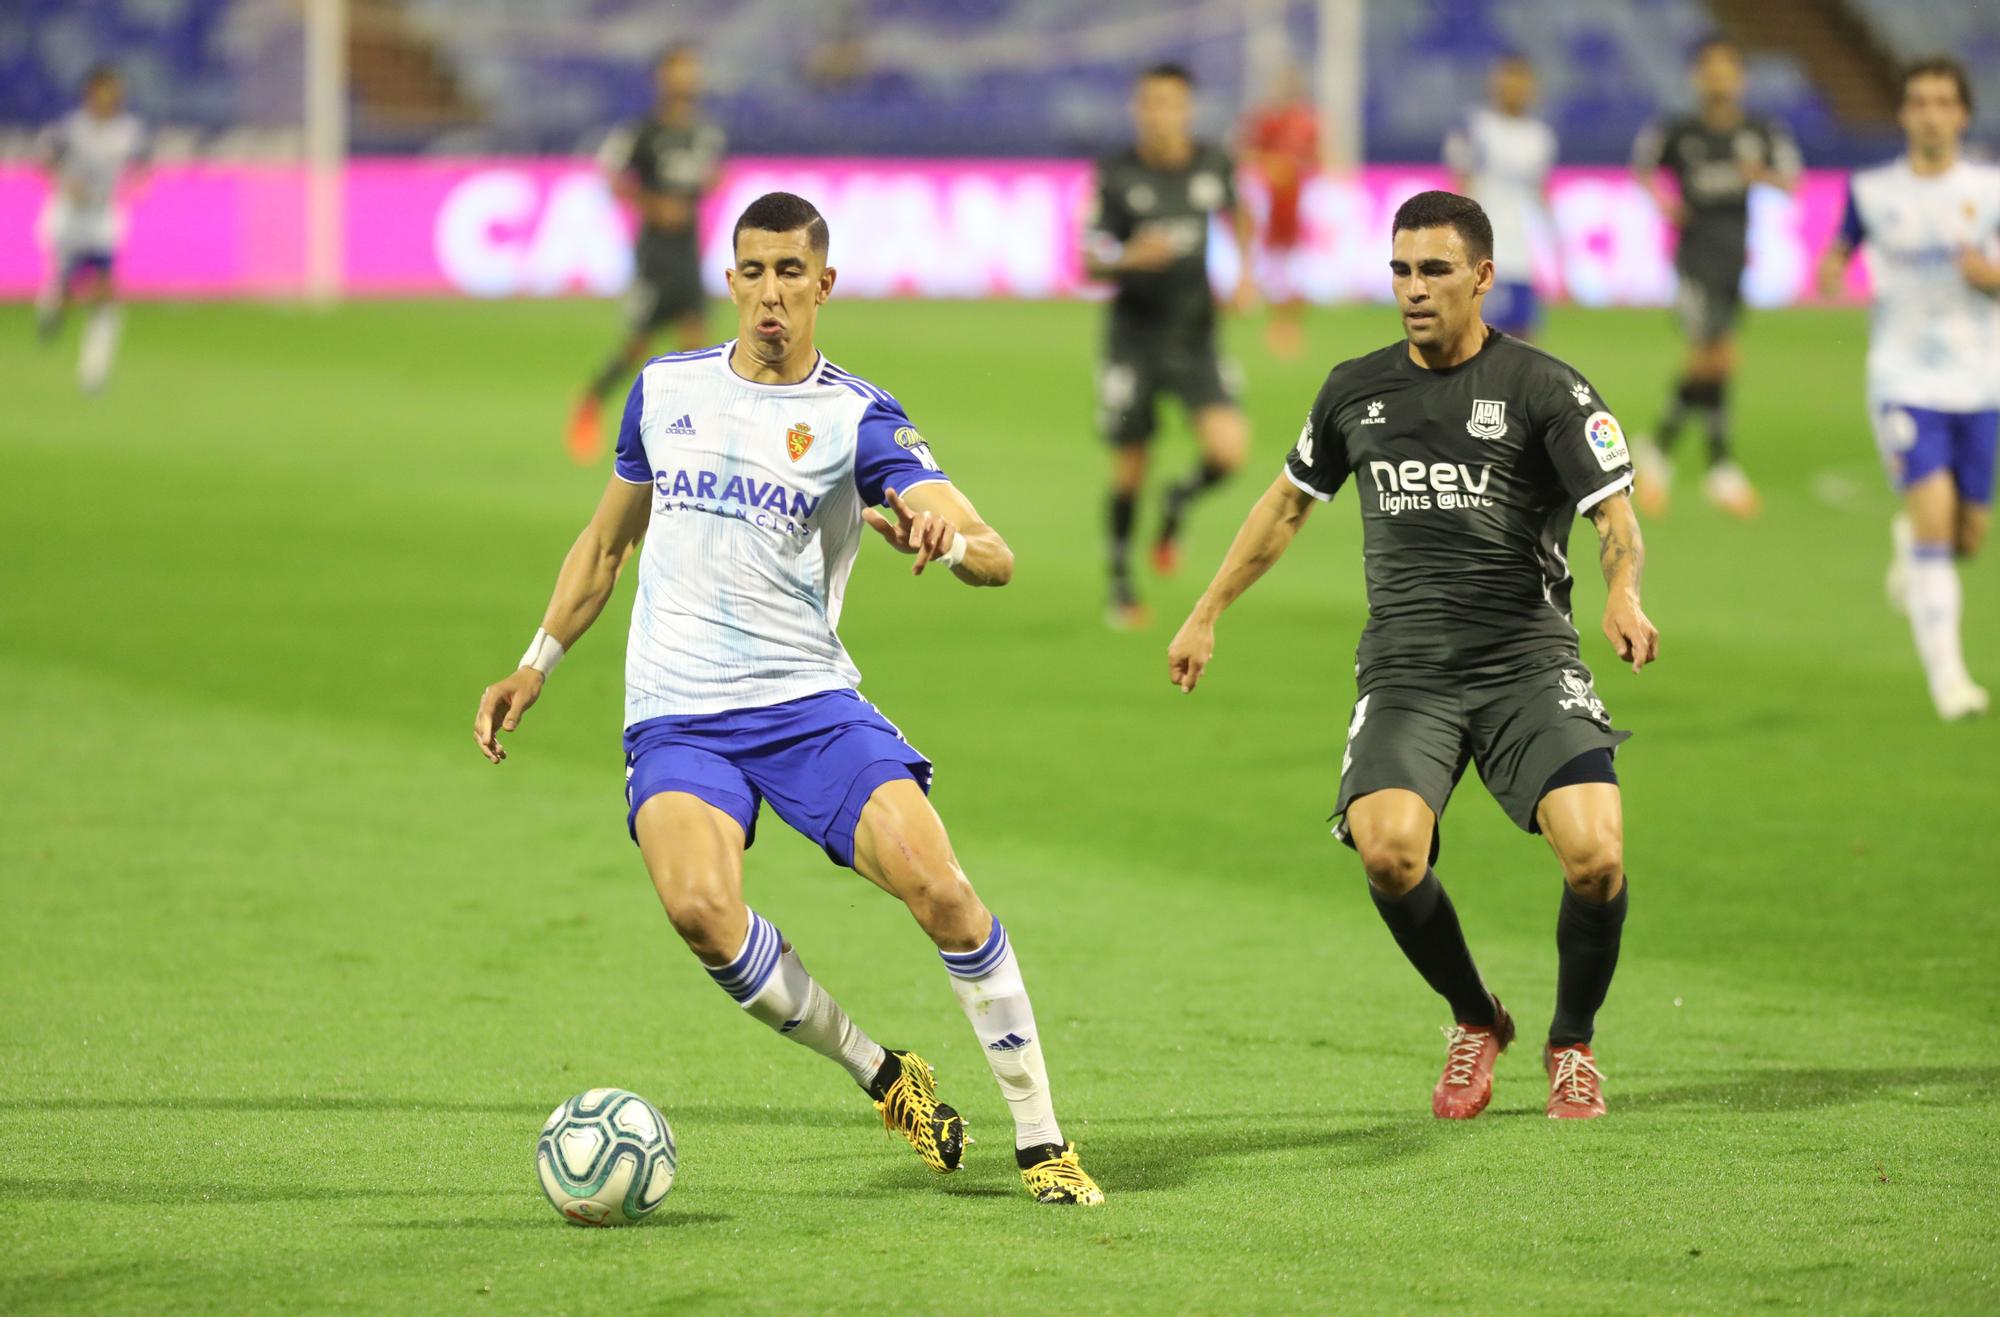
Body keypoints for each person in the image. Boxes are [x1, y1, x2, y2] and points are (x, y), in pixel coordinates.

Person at [477, 192, 1104, 1206]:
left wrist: (949, 545)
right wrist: (535, 661)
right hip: (676, 712)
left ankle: (1041, 1142)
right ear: (731, 281)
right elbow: (605, 544)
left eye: (789, 274)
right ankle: (881, 1074)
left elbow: (993, 554)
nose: (770, 294)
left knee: (941, 890)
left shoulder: (856, 417)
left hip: (806, 704)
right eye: (753, 272)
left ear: (825, 284)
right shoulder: (664, 391)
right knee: (699, 910)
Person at [1168, 191, 1659, 1121]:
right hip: (1407, 672)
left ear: (1482, 276)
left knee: (1596, 856)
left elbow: (1615, 518)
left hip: (1526, 663)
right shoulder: (1357, 389)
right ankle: (1477, 1019)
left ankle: (1573, 1041)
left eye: (1434, 270)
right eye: (1400, 269)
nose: (1413, 289)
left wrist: (1623, 592)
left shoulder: (1547, 388)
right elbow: (1284, 506)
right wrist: (1207, 609)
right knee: (1390, 852)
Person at [1818, 57, 2000, 721]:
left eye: (1943, 102)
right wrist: (1833, 269)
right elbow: (1841, 250)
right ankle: (1951, 681)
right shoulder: (1872, 190)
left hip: (1982, 381)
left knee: (1967, 537)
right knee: (1933, 521)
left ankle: (1912, 548)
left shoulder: (1992, 186)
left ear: (1962, 114)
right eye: (1918, 101)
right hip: (1903, 380)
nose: (1930, 113)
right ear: (1904, 114)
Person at [1084, 62, 1257, 629]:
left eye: (1172, 104)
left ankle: (1179, 501)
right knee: (1131, 465)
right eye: (1151, 104)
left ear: (1187, 110)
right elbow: (1088, 257)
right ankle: (1121, 584)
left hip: (1195, 334)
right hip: (1133, 338)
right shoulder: (1116, 174)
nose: (1161, 115)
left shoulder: (1212, 164)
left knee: (1230, 450)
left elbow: (1241, 213)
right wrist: (1130, 257)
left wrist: (1245, 274)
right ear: (1139, 110)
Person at [1630, 35, 1801, 518]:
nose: (1719, 77)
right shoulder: (1679, 130)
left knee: (1716, 359)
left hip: (1733, 261)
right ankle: (1714, 465)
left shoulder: (1760, 130)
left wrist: (1759, 176)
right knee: (1716, 354)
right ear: (1698, 77)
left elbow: (1792, 179)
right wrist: (1665, 203)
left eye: (1728, 68)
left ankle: (1660, 449)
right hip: (1693, 259)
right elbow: (1642, 168)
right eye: (1710, 68)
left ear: (1740, 77)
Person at [565, 45, 726, 464]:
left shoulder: (704, 133)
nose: (688, 78)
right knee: (639, 343)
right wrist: (652, 205)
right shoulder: (642, 132)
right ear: (663, 78)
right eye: (680, 70)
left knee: (696, 342)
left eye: (692, 70)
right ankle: (591, 400)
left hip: (689, 248)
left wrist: (708, 186)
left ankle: (692, 434)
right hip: (655, 251)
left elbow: (711, 178)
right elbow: (610, 172)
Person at [34, 65, 146, 395]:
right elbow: (45, 159)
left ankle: (93, 373)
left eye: (116, 91)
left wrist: (134, 184)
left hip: (102, 220)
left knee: (105, 294)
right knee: (68, 289)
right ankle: (53, 304)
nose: (111, 97)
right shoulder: (71, 129)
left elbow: (141, 166)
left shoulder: (129, 130)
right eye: (104, 90)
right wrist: (67, 185)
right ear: (90, 93)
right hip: (69, 219)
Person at [1445, 54, 1558, 342]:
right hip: (1484, 250)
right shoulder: (1476, 128)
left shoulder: (1539, 137)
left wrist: (1556, 247)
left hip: (1521, 253)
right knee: (1478, 338)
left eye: (1521, 84)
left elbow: (1540, 192)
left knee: (1523, 343)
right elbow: (1460, 185)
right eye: (1508, 82)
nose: (1515, 90)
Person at [1241, 65, 1321, 360]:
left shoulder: (1308, 121)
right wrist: (1270, 167)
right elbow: (1248, 152)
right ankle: (1277, 325)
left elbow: (1318, 156)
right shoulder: (1267, 121)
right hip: (1271, 203)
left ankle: (1290, 326)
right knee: (1274, 267)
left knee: (1296, 269)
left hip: (1298, 203)